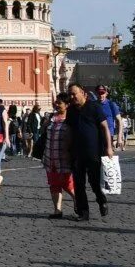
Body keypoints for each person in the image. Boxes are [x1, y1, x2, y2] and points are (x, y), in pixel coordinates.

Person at [66, 84, 112, 221]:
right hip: (77, 153)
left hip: (94, 152)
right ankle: (83, 212)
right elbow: (69, 131)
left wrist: (109, 147)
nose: (72, 97)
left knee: (94, 182)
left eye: (74, 94)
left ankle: (101, 199)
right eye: (70, 95)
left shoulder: (94, 107)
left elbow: (105, 127)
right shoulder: (71, 111)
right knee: (79, 184)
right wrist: (67, 149)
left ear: (83, 93)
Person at [32, 94, 75, 218]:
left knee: (67, 183)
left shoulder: (71, 119)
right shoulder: (51, 117)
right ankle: (57, 210)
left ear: (67, 105)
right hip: (50, 156)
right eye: (56, 102)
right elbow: (44, 133)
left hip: (65, 157)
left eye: (59, 103)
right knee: (54, 183)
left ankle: (78, 202)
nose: (56, 104)